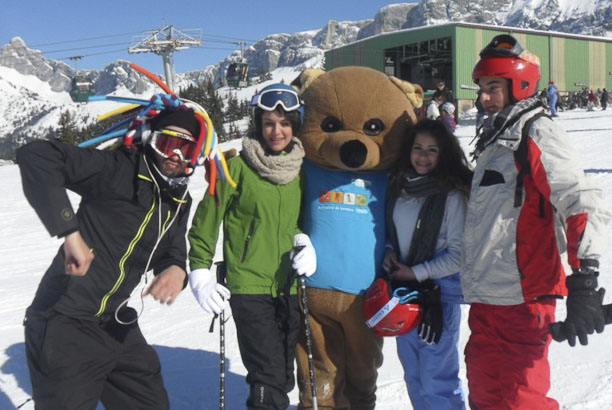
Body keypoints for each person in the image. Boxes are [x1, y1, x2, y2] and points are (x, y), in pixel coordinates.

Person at [17, 102, 205, 410]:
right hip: (65, 322)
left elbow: (172, 246)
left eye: (186, 148)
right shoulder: (117, 169)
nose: (175, 155)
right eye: (168, 142)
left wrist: (174, 269)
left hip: (116, 325)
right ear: (149, 139)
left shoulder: (178, 198)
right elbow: (35, 156)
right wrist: (70, 233)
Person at [465, 34, 611, 410]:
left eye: (493, 87)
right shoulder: (495, 136)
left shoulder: (537, 131)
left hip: (524, 298)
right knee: (484, 396)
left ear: (521, 84)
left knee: (522, 401)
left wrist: (585, 278)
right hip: (486, 298)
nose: (483, 97)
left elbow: (581, 201)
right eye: (481, 88)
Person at [188, 83, 315, 410]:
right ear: (258, 124)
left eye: (285, 123)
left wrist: (304, 240)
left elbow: (299, 221)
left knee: (284, 372)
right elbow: (206, 221)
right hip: (248, 285)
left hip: (288, 284)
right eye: (269, 122)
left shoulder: (302, 170)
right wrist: (200, 272)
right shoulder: (237, 168)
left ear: (294, 125)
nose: (277, 131)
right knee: (267, 373)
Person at [382, 119, 472, 410]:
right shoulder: (399, 188)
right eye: (418, 148)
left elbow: (458, 256)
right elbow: (392, 235)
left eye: (431, 150)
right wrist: (387, 251)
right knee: (414, 376)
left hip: (438, 298)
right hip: (405, 297)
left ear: (443, 154)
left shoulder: (451, 196)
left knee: (438, 381)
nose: (423, 156)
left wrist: (416, 272)